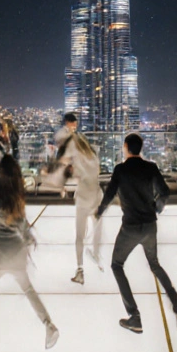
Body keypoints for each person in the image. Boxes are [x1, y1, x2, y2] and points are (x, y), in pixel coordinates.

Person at [96, 133, 177, 334]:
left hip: (130, 227)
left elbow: (110, 194)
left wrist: (99, 212)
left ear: (126, 147)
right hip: (149, 226)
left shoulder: (120, 170)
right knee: (155, 265)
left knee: (116, 265)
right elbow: (164, 192)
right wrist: (157, 208)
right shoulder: (151, 168)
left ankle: (134, 316)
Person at [0, 156, 60, 351]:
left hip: (0, 255)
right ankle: (48, 324)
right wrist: (29, 241)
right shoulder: (16, 202)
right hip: (18, 253)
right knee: (28, 289)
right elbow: (24, 229)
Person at [49, 113, 103, 284]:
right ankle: (95, 253)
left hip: (85, 196)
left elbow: (63, 161)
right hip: (96, 194)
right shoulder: (90, 154)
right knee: (96, 223)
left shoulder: (72, 148)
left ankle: (81, 268)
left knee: (80, 236)